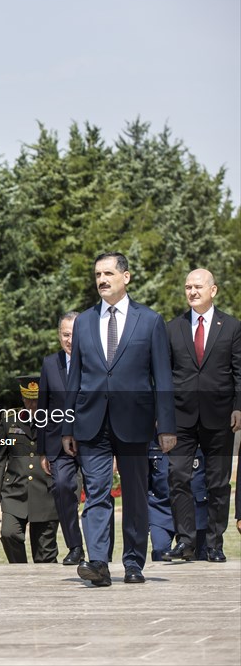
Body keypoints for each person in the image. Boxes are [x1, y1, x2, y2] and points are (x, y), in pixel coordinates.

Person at [64, 252, 176, 587]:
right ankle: (98, 562)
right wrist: (67, 426)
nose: (102, 279)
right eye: (97, 274)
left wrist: (167, 426)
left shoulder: (150, 321)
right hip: (91, 421)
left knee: (136, 494)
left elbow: (163, 378)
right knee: (96, 491)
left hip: (135, 421)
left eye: (108, 273)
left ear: (126, 277)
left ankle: (133, 562)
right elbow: (75, 378)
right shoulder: (83, 321)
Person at [165, 268, 241, 563]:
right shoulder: (172, 328)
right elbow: (164, 374)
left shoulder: (232, 327)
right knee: (178, 477)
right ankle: (185, 541)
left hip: (221, 416)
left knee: (218, 483)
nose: (192, 291)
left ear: (213, 290)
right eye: (187, 287)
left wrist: (238, 407)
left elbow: (239, 372)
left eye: (198, 286)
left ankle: (213, 544)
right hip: (180, 418)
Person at [0, 375, 59, 564]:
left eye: (36, 399)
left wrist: (73, 492)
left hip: (46, 492)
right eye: (28, 398)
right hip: (15, 491)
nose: (32, 404)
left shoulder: (56, 420)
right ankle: (18, 569)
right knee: (9, 533)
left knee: (45, 553)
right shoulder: (9, 420)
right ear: (22, 397)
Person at [37, 311, 85, 565]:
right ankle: (75, 546)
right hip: (58, 444)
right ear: (59, 336)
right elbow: (42, 409)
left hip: (91, 439)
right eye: (65, 335)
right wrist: (43, 450)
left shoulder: (94, 361)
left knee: (100, 492)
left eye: (74, 335)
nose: (70, 340)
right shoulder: (49, 364)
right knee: (63, 487)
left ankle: (103, 550)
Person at [148, 444, 209, 561]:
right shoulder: (153, 441)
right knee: (160, 552)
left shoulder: (197, 434)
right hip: (162, 508)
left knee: (200, 557)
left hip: (195, 510)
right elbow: (144, 479)